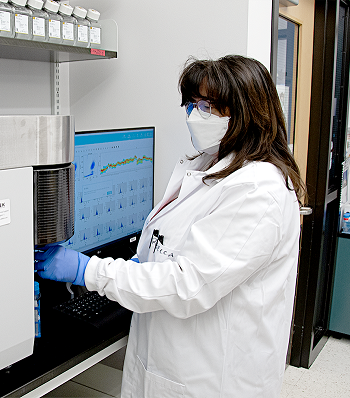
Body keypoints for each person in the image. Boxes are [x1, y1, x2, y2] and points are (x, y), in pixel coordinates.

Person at [34, 55, 305, 397]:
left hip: (213, 377)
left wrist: (88, 270)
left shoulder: (257, 190)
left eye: (208, 106)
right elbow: (179, 249)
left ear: (247, 112)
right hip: (177, 357)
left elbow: (186, 285)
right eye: (192, 104)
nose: (195, 115)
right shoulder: (211, 165)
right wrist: (138, 264)